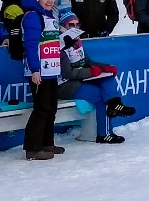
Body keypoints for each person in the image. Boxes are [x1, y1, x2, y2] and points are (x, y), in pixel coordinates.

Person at [57, 11, 136, 144]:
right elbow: (67, 73)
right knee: (100, 96)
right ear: (64, 26)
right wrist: (92, 72)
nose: (75, 28)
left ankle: (115, 105)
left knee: (108, 78)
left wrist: (105, 67)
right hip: (65, 86)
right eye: (71, 25)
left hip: (79, 80)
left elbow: (88, 62)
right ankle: (104, 133)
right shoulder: (61, 45)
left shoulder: (77, 42)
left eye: (77, 24)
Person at [21, 0, 65, 161]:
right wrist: (34, 69)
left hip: (52, 69)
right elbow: (30, 46)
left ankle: (47, 143)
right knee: (41, 109)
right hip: (39, 71)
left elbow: (52, 42)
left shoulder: (50, 15)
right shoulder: (33, 16)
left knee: (51, 108)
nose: (49, 0)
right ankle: (33, 148)